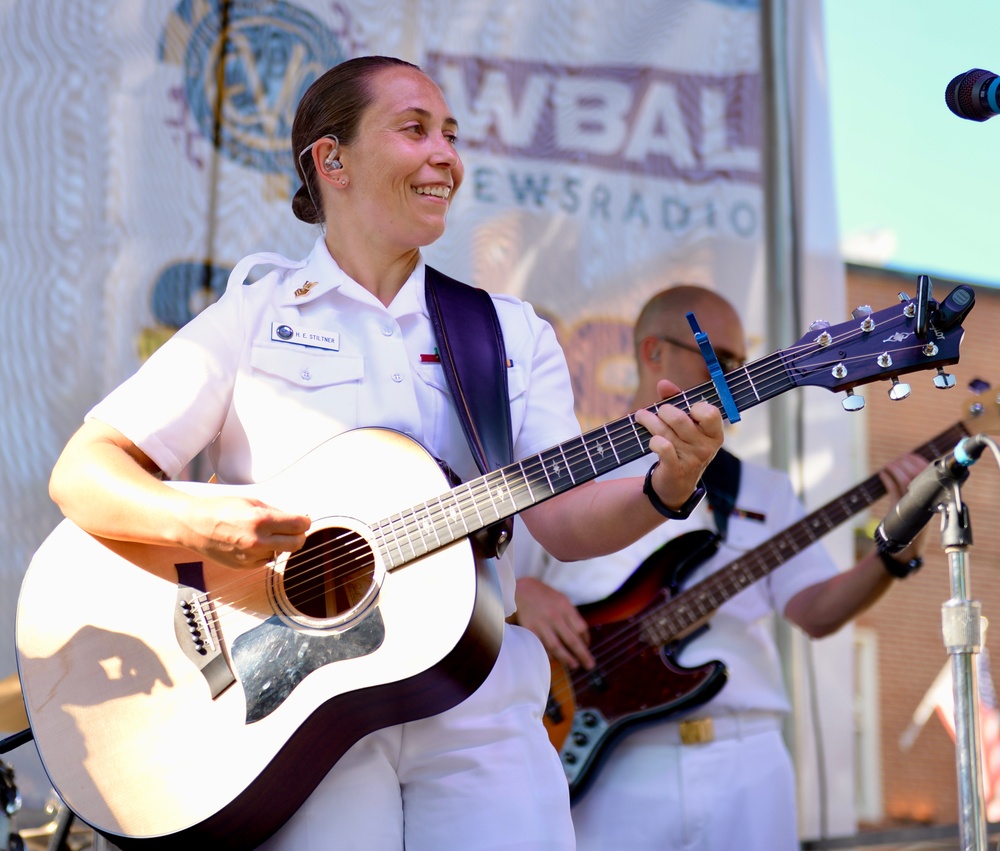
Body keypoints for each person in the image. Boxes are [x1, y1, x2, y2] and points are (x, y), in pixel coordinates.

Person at [46, 57, 724, 850]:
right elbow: (84, 472)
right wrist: (206, 528)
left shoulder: (506, 332)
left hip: (475, 697)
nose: (447, 156)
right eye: (415, 130)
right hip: (300, 712)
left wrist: (664, 485)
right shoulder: (255, 315)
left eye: (451, 135)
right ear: (330, 161)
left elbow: (564, 522)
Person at [514, 285, 929, 851]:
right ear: (652, 353)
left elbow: (814, 611)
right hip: (611, 763)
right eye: (717, 357)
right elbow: (484, 582)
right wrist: (523, 594)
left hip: (747, 763)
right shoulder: (571, 468)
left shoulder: (763, 489)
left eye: (739, 360)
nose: (734, 373)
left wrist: (895, 550)